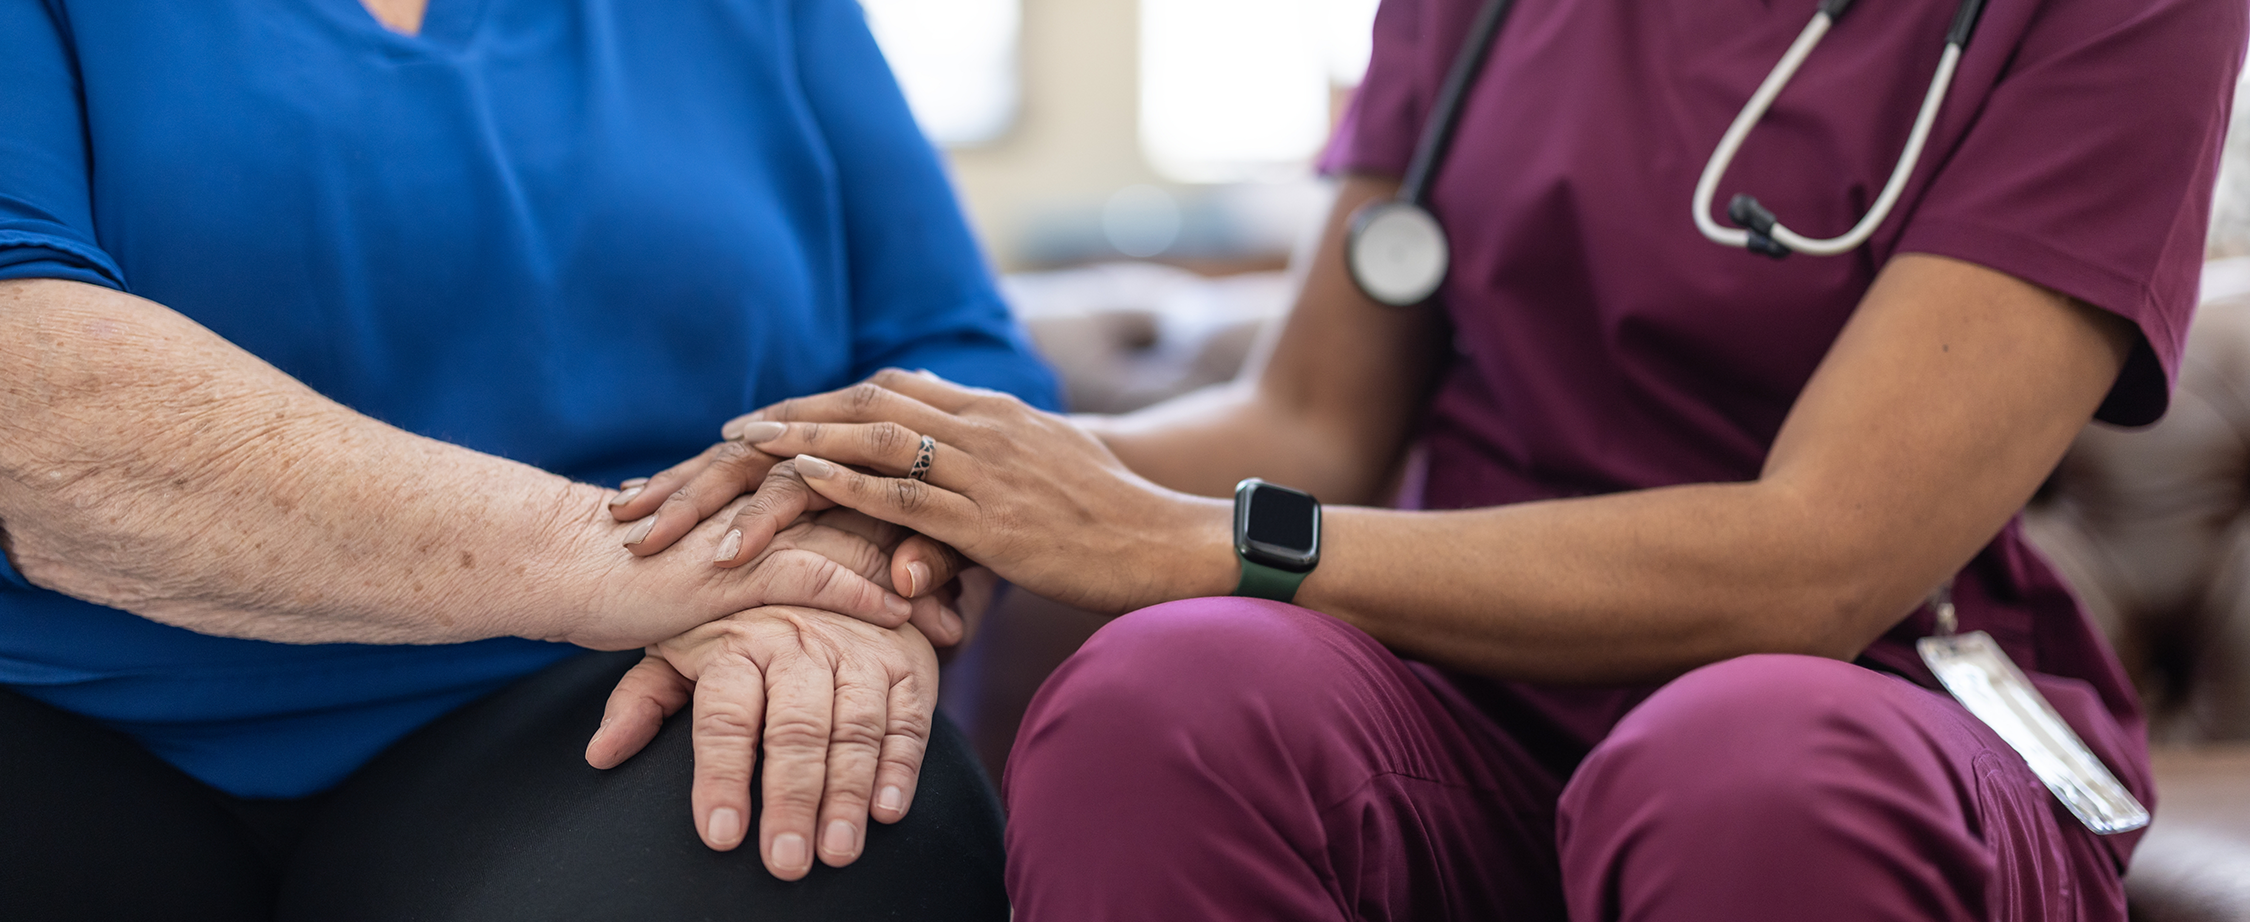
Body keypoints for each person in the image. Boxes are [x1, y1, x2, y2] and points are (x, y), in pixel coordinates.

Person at [618, 0, 2248, 918]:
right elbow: (1319, 420)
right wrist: (954, 475)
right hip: (1464, 693)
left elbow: (1820, 559)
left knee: (1745, 756)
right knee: (1167, 695)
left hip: (1867, 706)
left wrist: (1198, 539)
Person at [0, 0, 1049, 918]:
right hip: (64, 707)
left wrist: (852, 563)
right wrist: (660, 560)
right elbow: (29, 394)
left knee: (828, 834)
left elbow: (961, 359)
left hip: (619, 692)